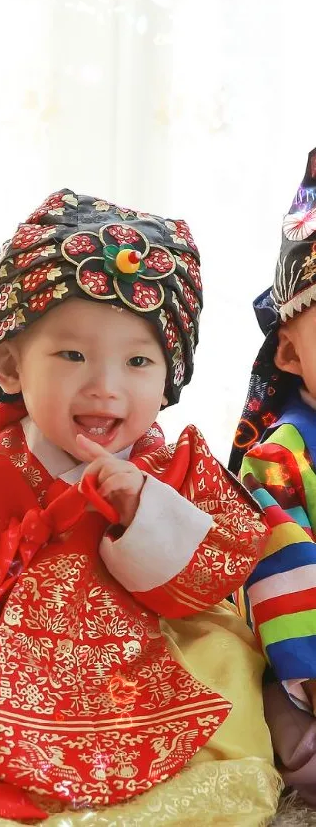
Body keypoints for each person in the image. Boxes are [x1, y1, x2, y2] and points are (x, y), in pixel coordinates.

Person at [0, 189, 280, 825]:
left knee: (227, 673)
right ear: (9, 367)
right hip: (8, 654)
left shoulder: (174, 465)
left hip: (144, 651)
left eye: (138, 360)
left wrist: (144, 510)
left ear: (167, 378)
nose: (105, 385)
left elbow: (213, 575)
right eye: (72, 355)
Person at [230, 147, 316, 805]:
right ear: (288, 350)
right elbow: (281, 583)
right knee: (292, 749)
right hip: (303, 666)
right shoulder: (281, 457)